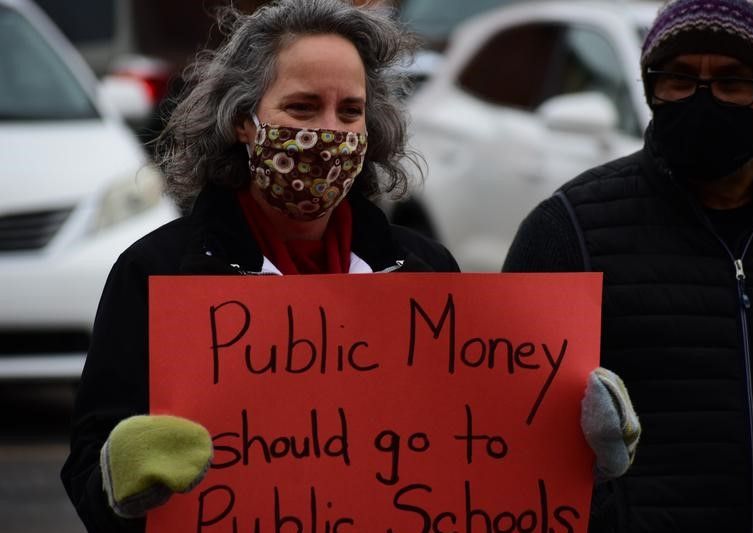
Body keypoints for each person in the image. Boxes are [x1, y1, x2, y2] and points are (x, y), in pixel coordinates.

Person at [61, 2, 638, 532]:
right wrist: (120, 478)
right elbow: (93, 473)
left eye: (351, 111)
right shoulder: (158, 273)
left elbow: (481, 461)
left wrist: (578, 457)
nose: (329, 132)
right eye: (302, 107)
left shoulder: (425, 271)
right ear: (243, 121)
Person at [504, 0, 753, 531]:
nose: (704, 99)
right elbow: (507, 430)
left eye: (734, 82)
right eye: (680, 78)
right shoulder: (569, 230)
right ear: (651, 91)